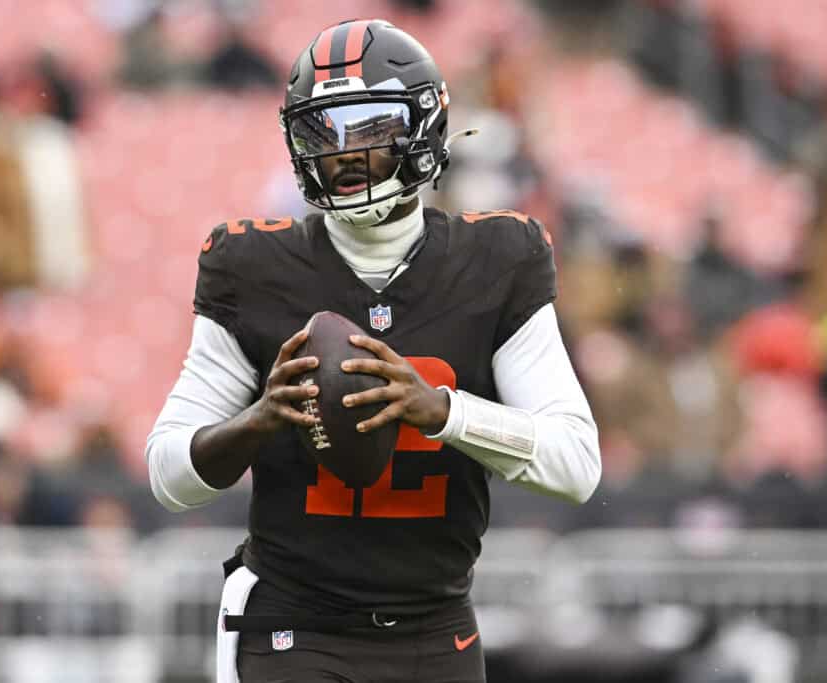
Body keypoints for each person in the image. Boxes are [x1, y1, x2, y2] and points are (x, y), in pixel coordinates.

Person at [146, 19, 601, 683]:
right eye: (324, 132)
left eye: (369, 127)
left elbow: (576, 464)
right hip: (293, 625)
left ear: (423, 129)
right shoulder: (252, 265)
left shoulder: (499, 260)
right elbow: (167, 473)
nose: (344, 154)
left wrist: (441, 411)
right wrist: (260, 419)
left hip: (435, 628)